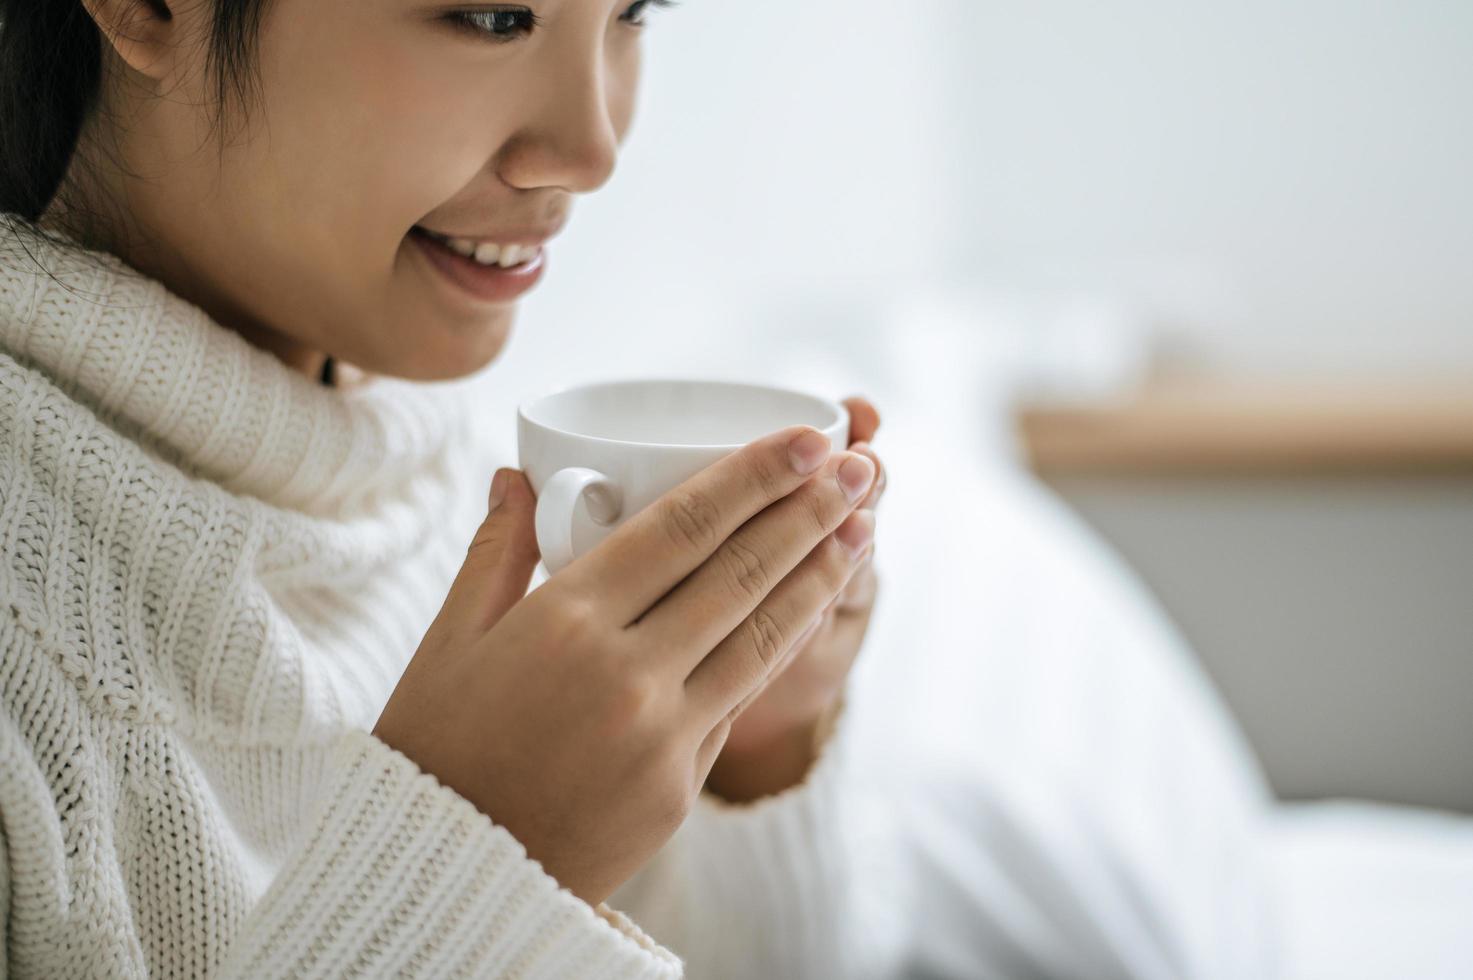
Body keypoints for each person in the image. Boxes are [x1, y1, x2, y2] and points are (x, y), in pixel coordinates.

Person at [0, 1, 1280, 977]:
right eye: (495, 14)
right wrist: (474, 854)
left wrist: (749, 756)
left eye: (631, 13)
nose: (595, 144)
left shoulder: (442, 470)